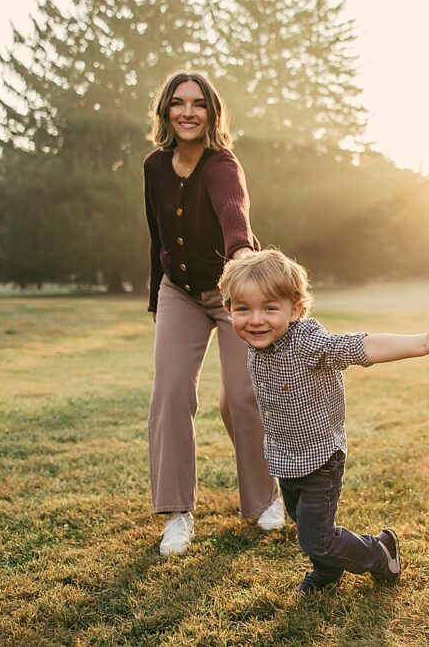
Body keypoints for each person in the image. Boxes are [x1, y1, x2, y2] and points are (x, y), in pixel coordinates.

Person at [218, 249, 429, 593]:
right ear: (229, 310)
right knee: (304, 523)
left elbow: (360, 346)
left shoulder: (305, 341)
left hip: (320, 459)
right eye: (243, 309)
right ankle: (328, 571)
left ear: (295, 310)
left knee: (317, 537)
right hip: (285, 457)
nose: (255, 320)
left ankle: (379, 552)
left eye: (269, 308)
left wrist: (424, 343)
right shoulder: (256, 343)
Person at [144, 71, 282, 557]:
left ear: (212, 113)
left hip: (232, 292)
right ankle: (177, 513)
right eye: (179, 103)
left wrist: (243, 262)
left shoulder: (222, 164)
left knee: (240, 397)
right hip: (178, 291)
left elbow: (234, 216)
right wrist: (156, 300)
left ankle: (264, 499)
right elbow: (157, 237)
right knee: (170, 392)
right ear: (165, 111)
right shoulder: (155, 167)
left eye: (198, 103)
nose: (188, 112)